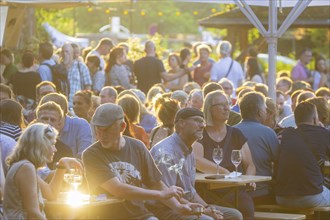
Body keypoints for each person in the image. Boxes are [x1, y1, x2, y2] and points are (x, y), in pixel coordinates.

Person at [82, 103, 200, 219]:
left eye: (106, 130)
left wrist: (179, 206)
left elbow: (156, 183)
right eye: (98, 129)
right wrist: (160, 195)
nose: (101, 135)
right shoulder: (91, 154)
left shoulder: (137, 147)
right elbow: (119, 190)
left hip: (141, 215)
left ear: (122, 127)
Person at [150, 107, 243, 220]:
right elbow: (167, 195)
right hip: (164, 209)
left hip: (186, 205)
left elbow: (191, 193)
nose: (203, 125)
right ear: (181, 123)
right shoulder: (166, 153)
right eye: (197, 120)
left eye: (203, 121)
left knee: (234, 215)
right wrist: (203, 211)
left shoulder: (189, 150)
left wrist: (207, 207)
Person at [192, 91, 256, 219]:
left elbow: (250, 164)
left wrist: (249, 179)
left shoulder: (236, 134)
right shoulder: (201, 133)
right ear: (209, 109)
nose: (227, 108)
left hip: (234, 189)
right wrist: (223, 171)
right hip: (208, 190)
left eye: (227, 103)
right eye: (221, 105)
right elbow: (196, 160)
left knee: (246, 206)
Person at [3, 123, 82, 219]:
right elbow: (33, 214)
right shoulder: (26, 168)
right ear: (41, 145)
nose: (55, 149)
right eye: (52, 144)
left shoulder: (24, 166)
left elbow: (51, 194)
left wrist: (61, 166)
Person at [275, 101, 330, 209]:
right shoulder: (323, 133)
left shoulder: (286, 134)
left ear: (295, 120)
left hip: (281, 197)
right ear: (315, 118)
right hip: (311, 196)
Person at [234, 92, 279, 204]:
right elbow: (279, 163)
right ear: (260, 112)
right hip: (262, 193)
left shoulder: (230, 131)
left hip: (235, 193)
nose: (266, 111)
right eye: (265, 108)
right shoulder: (268, 133)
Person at [39, 93, 92, 158]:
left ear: (62, 112)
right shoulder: (36, 128)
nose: (48, 122)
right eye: (44, 118)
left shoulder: (80, 125)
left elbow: (84, 156)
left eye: (52, 118)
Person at [35, 101, 73, 170]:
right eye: (45, 119)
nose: (48, 123)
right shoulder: (27, 146)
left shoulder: (65, 151)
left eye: (52, 120)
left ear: (59, 124)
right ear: (37, 121)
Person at [61, 43, 92, 109]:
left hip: (76, 105)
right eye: (74, 52)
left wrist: (86, 102)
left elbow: (88, 86)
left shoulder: (81, 66)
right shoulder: (59, 67)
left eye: (77, 53)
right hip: (62, 105)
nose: (76, 55)